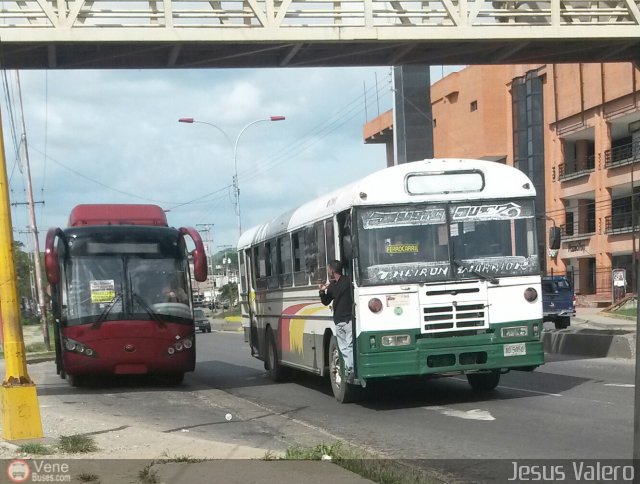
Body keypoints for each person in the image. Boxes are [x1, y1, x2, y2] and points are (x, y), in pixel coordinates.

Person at [318, 260, 355, 383]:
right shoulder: (349, 282)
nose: (328, 272)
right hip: (348, 319)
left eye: (329, 269)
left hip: (340, 320)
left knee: (344, 347)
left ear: (333, 271)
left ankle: (350, 369)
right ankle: (350, 368)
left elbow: (326, 301)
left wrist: (322, 291)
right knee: (348, 346)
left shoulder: (333, 286)